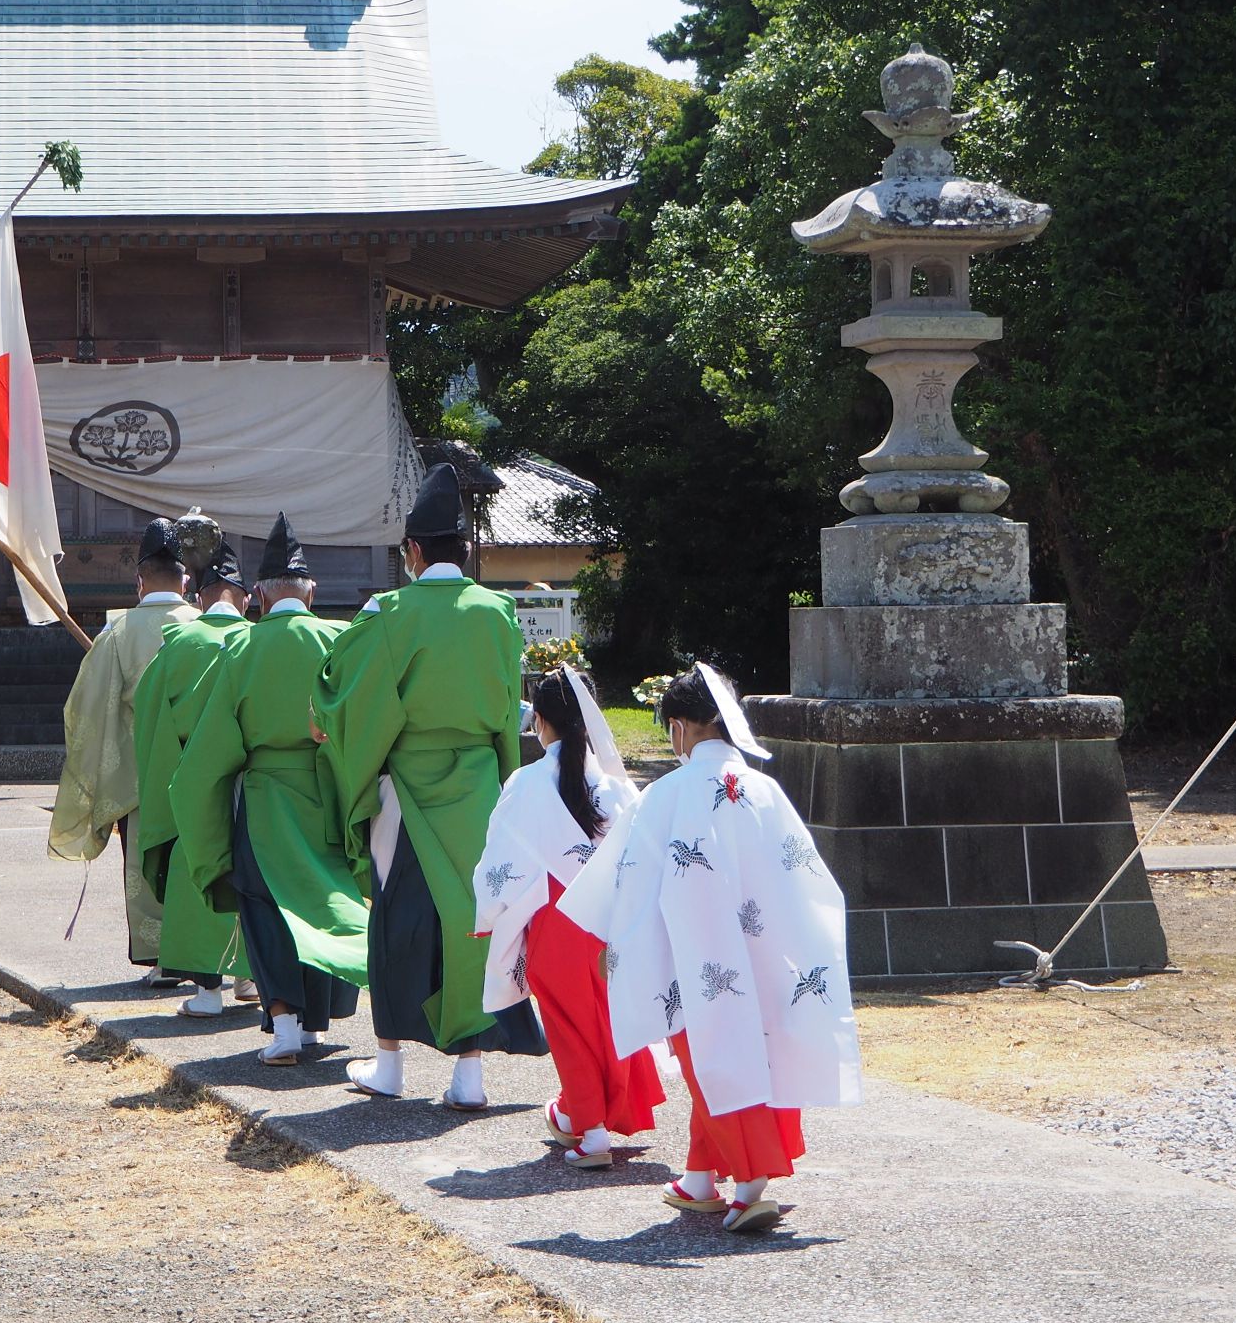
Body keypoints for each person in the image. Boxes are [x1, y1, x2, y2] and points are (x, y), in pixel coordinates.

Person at [559, 663, 859, 1234]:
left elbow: (631, 882)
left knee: (713, 1061)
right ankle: (700, 1176)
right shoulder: (766, 791)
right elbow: (805, 876)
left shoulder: (667, 794)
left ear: (678, 728)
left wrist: (615, 947)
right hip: (769, 952)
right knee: (752, 1055)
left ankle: (750, 1185)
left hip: (695, 958)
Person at [314, 462, 546, 1109]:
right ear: (465, 549)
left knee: (397, 922)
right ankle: (468, 1076)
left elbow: (348, 699)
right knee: (476, 921)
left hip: (405, 792)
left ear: (412, 551)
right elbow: (507, 711)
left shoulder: (389, 612)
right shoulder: (495, 611)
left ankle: (389, 1065)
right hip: (475, 785)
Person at [172, 514, 367, 1065]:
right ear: (312, 592)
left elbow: (208, 754)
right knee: (329, 900)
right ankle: (316, 1028)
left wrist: (194, 810)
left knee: (266, 906)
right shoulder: (339, 640)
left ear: (257, 595)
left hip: (264, 798)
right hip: (329, 792)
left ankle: (284, 1025)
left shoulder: (242, 650)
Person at [472, 666, 662, 1166]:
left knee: (568, 1022)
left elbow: (501, 863)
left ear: (540, 721)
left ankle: (592, 1131)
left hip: (555, 919)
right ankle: (576, 1114)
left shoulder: (526, 783)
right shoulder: (618, 789)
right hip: (608, 922)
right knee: (607, 1018)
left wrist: (488, 911)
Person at [51, 518, 197, 976]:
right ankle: (214, 960)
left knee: (147, 863)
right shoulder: (211, 628)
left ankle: (163, 959)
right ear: (186, 579)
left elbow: (86, 710)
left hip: (143, 776)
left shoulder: (117, 635)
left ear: (139, 582)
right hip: (204, 768)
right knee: (203, 859)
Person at [132, 538, 256, 1017]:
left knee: (196, 876)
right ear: (244, 597)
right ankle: (249, 980)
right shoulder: (256, 639)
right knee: (253, 878)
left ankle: (207, 993)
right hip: (254, 782)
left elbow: (150, 716)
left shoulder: (180, 644)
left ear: (199, 595)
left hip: (192, 782)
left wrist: (166, 784)